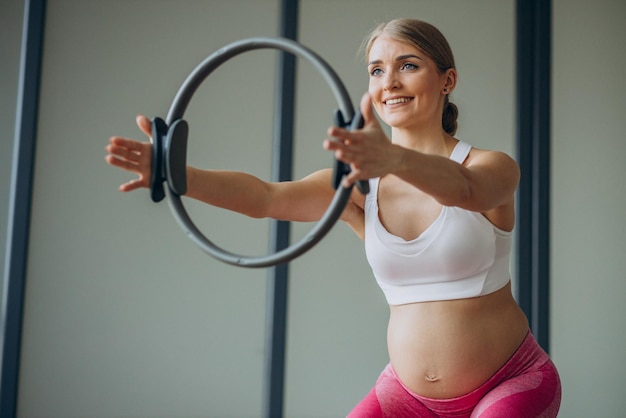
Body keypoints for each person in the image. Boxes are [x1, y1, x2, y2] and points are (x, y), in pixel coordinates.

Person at [106, 18, 561, 418]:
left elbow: (464, 192)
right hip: (407, 396)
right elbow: (264, 197)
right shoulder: (361, 186)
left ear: (447, 79)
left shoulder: (490, 166)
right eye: (377, 71)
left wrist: (393, 160)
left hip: (511, 382)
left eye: (408, 65)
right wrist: (173, 172)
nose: (390, 82)